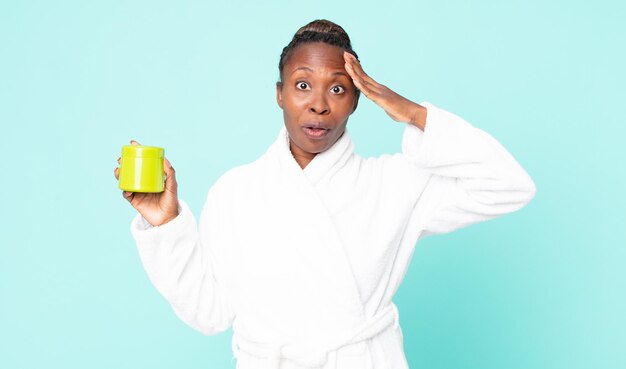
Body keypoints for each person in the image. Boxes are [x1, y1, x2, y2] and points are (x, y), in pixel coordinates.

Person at [114, 19, 536, 369]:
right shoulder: (236, 191)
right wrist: (165, 223)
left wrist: (411, 112)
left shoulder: (393, 184)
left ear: (357, 100)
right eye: (302, 86)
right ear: (278, 93)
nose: (319, 104)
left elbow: (510, 185)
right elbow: (209, 313)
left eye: (337, 89)